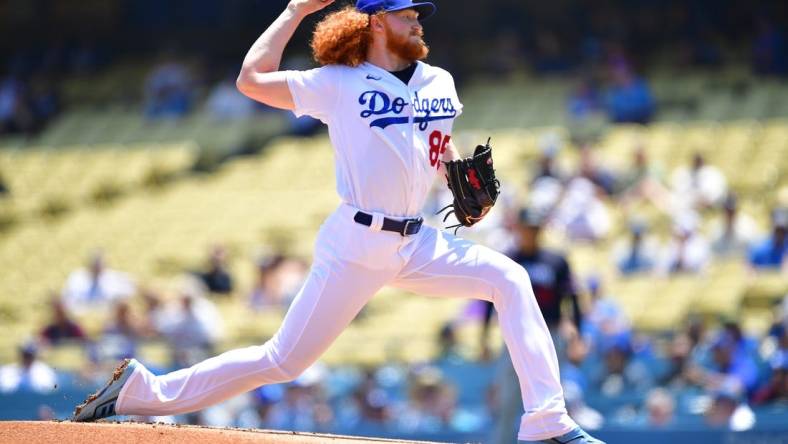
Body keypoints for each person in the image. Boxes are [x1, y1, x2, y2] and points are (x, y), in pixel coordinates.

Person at [72, 2, 601, 443]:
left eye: (418, 12)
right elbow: (250, 80)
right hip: (355, 241)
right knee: (282, 361)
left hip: (417, 241)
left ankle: (546, 422)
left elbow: (437, 144)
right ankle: (144, 392)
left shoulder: (439, 79)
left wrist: (459, 178)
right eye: (405, 13)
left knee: (510, 278)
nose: (417, 20)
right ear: (375, 22)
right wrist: (295, 9)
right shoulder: (338, 82)